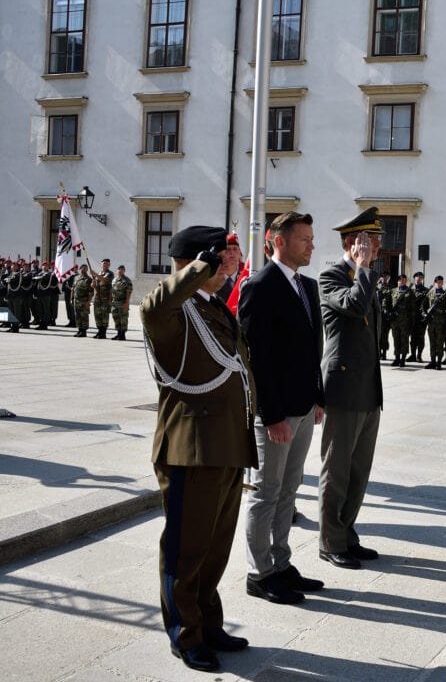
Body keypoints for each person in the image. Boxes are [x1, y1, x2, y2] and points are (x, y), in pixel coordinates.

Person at [141, 225, 256, 672]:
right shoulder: (172, 311)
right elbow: (155, 304)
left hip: (227, 444)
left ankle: (208, 622)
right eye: (220, 259)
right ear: (196, 262)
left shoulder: (210, 308)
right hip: (190, 447)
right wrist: (200, 267)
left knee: (214, 549)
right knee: (186, 551)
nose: (229, 265)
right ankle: (185, 636)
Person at [238, 211, 326, 605]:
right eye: (304, 238)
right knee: (266, 492)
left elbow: (312, 348)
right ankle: (259, 572)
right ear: (279, 241)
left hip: (304, 407)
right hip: (276, 414)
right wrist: (270, 415)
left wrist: (318, 396)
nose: (311, 244)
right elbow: (257, 358)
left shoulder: (306, 286)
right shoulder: (260, 286)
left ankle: (281, 562)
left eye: (311, 237)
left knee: (290, 490)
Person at [317, 207, 386, 570]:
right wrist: (361, 268)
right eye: (370, 241)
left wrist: (364, 271)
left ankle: (347, 533)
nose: (377, 247)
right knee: (337, 469)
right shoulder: (332, 276)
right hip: (343, 388)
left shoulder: (364, 276)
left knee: (359, 470)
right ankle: (330, 541)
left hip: (368, 389)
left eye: (376, 241)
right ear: (352, 242)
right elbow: (354, 305)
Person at [424, 275, 446, 370]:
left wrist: (443, 314)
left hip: (441, 323)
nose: (439, 284)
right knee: (432, 343)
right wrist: (425, 315)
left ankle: (439, 362)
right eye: (437, 282)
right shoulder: (430, 294)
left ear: (442, 283)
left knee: (439, 343)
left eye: (440, 282)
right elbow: (424, 306)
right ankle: (432, 361)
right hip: (431, 323)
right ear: (435, 283)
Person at [389, 274, 416, 367]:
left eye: (404, 280)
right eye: (400, 280)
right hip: (395, 321)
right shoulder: (393, 291)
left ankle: (403, 359)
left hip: (405, 321)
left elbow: (413, 308)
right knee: (396, 339)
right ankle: (397, 358)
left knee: (404, 340)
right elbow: (389, 304)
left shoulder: (410, 292)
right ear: (398, 281)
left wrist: (412, 320)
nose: (402, 281)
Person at [88, 257, 114, 338]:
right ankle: (99, 331)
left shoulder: (110, 273)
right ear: (101, 264)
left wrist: (94, 274)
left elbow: (104, 280)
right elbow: (95, 284)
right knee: (97, 315)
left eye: (106, 264)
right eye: (103, 263)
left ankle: (103, 332)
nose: (105, 265)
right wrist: (93, 284)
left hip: (105, 298)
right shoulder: (99, 273)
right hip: (98, 298)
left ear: (109, 265)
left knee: (104, 315)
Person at [216, 233, 243, 304]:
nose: (232, 252)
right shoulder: (214, 279)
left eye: (235, 249)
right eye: (228, 249)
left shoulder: (244, 278)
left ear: (240, 254)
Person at [409, 271, 429, 362]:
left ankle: (419, 355)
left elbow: (428, 304)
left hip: (421, 318)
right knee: (413, 338)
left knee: (421, 337)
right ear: (414, 278)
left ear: (422, 279)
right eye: (417, 276)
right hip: (412, 317)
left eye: (420, 277)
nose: (418, 278)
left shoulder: (426, 290)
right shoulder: (410, 290)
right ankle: (412, 355)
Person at [109, 264, 133, 340]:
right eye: (119, 269)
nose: (120, 271)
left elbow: (129, 292)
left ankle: (122, 335)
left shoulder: (127, 280)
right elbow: (111, 290)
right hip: (114, 303)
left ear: (124, 271)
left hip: (123, 303)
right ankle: (118, 333)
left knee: (123, 319)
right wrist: (110, 299)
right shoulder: (114, 280)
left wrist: (127, 303)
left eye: (122, 270)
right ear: (117, 271)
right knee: (116, 318)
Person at [72, 263, 94, 337]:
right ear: (80, 269)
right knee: (77, 316)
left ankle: (84, 332)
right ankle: (79, 330)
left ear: (87, 270)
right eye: (82, 268)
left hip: (84, 301)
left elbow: (91, 292)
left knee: (84, 316)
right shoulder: (76, 278)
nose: (84, 269)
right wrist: (71, 299)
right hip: (76, 300)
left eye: (85, 268)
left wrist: (88, 302)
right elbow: (73, 288)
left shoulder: (89, 279)